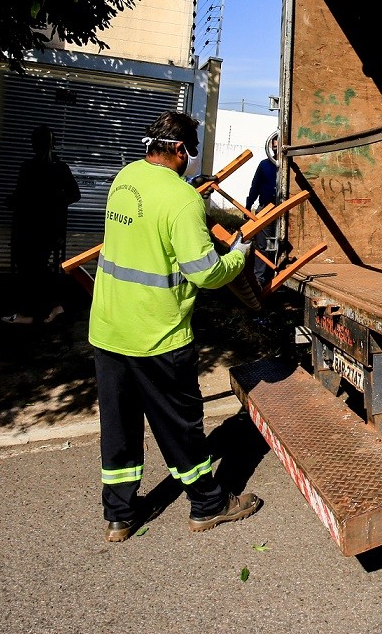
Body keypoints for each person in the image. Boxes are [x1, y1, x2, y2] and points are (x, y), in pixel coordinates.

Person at [89, 110, 261, 542]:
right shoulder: (182, 201)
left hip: (109, 328)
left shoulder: (124, 179)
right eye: (190, 153)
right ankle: (208, 504)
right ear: (181, 151)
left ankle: (119, 516)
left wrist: (186, 199)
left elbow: (149, 229)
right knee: (178, 425)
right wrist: (239, 253)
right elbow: (205, 272)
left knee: (119, 426)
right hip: (157, 335)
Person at [3, 125, 81, 325]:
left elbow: (21, 197)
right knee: (40, 266)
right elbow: (74, 194)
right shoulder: (59, 167)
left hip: (29, 227)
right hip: (50, 228)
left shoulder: (29, 167)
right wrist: (55, 203)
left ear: (32, 144)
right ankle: (50, 307)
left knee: (29, 269)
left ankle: (32, 312)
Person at [243, 132, 280, 289]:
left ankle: (277, 276)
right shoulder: (264, 165)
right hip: (265, 208)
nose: (276, 145)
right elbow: (255, 187)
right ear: (271, 146)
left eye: (278, 142)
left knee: (280, 245)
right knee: (262, 245)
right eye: (274, 142)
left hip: (285, 210)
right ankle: (259, 280)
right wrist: (248, 207)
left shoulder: (290, 165)